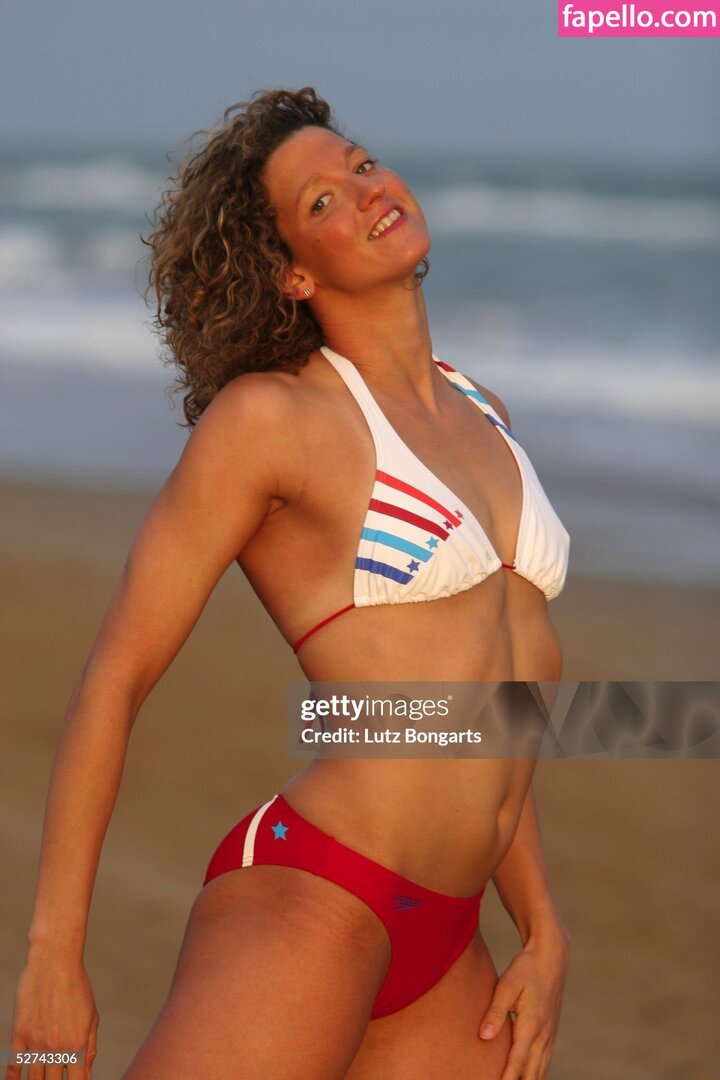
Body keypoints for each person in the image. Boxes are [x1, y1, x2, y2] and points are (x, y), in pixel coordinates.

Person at [7, 87, 571, 1080]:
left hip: (451, 939)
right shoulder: (269, 421)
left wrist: (543, 926)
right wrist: (54, 956)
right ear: (294, 274)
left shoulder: (483, 411)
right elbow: (115, 678)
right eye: (321, 201)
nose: (366, 190)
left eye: (360, 165)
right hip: (316, 897)